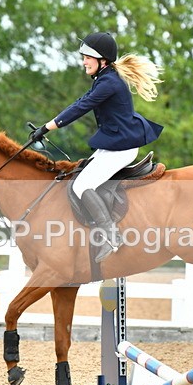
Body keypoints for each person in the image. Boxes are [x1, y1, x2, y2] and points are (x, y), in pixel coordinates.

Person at [28, 32, 163, 262]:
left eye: (87, 57)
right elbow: (79, 102)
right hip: (115, 144)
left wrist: (47, 127)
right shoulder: (105, 78)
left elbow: (80, 107)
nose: (83, 61)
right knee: (79, 178)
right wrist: (46, 127)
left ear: (102, 60)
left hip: (122, 147)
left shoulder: (109, 82)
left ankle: (111, 236)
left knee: (82, 185)